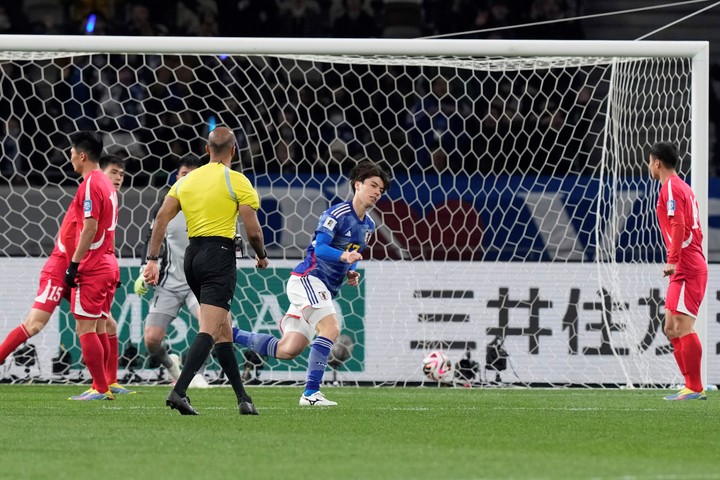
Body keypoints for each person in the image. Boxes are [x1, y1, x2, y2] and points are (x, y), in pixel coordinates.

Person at [231, 160, 391, 406]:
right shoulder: (335, 214)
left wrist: (351, 270)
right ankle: (310, 394)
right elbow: (320, 248)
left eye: (380, 190)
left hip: (321, 288)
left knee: (287, 349)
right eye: (373, 185)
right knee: (331, 329)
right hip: (308, 279)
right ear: (357, 185)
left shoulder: (368, 226)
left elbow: (354, 252)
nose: (377, 192)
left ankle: (227, 333)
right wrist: (343, 257)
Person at [143, 126, 269, 416]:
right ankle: (179, 391)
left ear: (206, 149)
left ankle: (243, 398)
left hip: (192, 257)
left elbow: (161, 218)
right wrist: (261, 256)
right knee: (210, 329)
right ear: (234, 151)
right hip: (219, 256)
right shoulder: (237, 181)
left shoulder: (187, 180)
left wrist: (152, 258)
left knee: (222, 328)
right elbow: (253, 231)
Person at [0, 153, 133, 396]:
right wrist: (79, 264)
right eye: (114, 172)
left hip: (84, 266)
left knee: (106, 323)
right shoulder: (91, 189)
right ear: (101, 170)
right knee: (36, 323)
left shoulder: (105, 193)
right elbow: (74, 233)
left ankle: (108, 383)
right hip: (63, 266)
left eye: (122, 174)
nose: (119, 178)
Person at [134, 155, 209, 388]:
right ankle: (171, 365)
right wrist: (144, 268)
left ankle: (197, 373)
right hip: (169, 280)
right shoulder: (165, 205)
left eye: (193, 175)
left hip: (198, 281)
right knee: (152, 340)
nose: (187, 179)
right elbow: (150, 237)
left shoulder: (208, 204)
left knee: (212, 326)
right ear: (177, 177)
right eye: (184, 174)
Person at [647, 141, 708, 401]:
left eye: (650, 161)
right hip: (686, 264)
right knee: (670, 327)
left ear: (657, 162)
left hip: (685, 265)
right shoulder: (682, 186)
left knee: (682, 325)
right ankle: (689, 385)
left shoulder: (671, 186)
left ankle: (695, 388)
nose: (649, 166)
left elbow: (679, 223)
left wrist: (674, 259)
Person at [64, 132, 121, 401]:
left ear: (82, 155)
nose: (70, 156)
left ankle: (100, 387)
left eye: (72, 151)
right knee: (99, 326)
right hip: (108, 262)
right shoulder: (107, 184)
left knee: (85, 328)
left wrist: (74, 264)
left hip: (94, 266)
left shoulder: (89, 185)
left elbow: (90, 227)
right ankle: (105, 383)